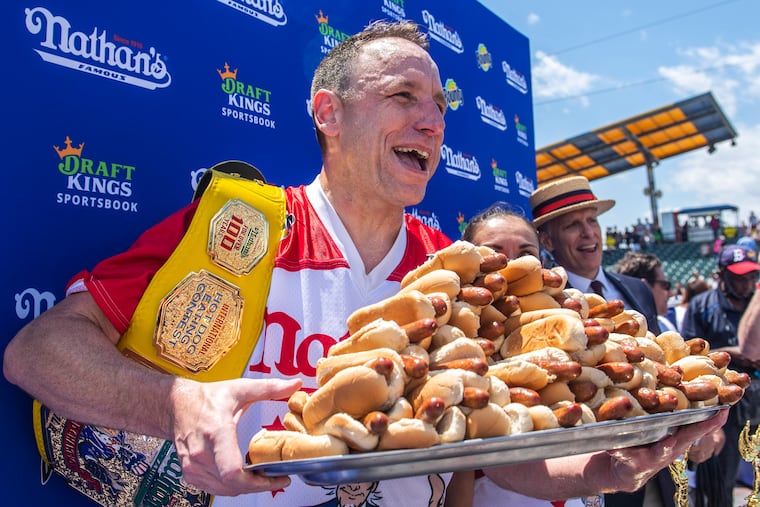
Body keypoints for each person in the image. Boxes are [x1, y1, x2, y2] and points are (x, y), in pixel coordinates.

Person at [3, 21, 725, 507]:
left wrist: (598, 467)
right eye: (402, 97)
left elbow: (495, 444)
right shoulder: (243, 224)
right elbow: (40, 351)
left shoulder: (458, 271)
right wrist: (175, 404)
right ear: (328, 113)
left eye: (439, 105)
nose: (432, 121)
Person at [529, 176, 673, 507]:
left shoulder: (637, 290)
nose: (589, 232)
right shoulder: (542, 304)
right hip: (591, 478)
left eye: (592, 220)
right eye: (573, 225)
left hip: (655, 475)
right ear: (547, 241)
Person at [461, 204, 602, 507]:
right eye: (495, 252)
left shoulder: (576, 328)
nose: (513, 264)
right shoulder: (458, 338)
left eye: (526, 253)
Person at [613, 252, 727, 506]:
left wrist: (702, 426)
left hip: (659, 474)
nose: (668, 292)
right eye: (664, 286)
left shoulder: (660, 324)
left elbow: (671, 383)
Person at [681, 244, 760, 504]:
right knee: (719, 483)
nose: (746, 283)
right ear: (721, 274)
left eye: (751, 276)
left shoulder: (756, 305)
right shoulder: (702, 305)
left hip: (758, 391)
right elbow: (689, 357)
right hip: (724, 402)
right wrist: (730, 353)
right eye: (738, 277)